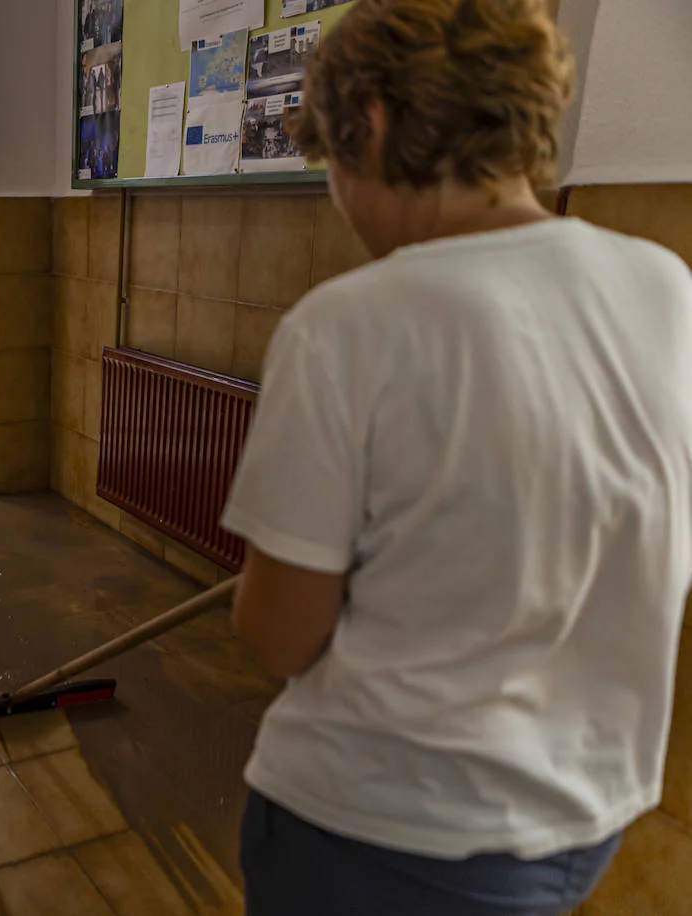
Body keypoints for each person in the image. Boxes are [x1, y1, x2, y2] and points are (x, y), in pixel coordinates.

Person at [221, 1, 692, 913]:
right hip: (583, 819)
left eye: (332, 160)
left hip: (379, 835)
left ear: (375, 121)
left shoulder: (347, 324)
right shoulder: (666, 287)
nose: (341, 198)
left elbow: (279, 636)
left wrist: (273, 581)